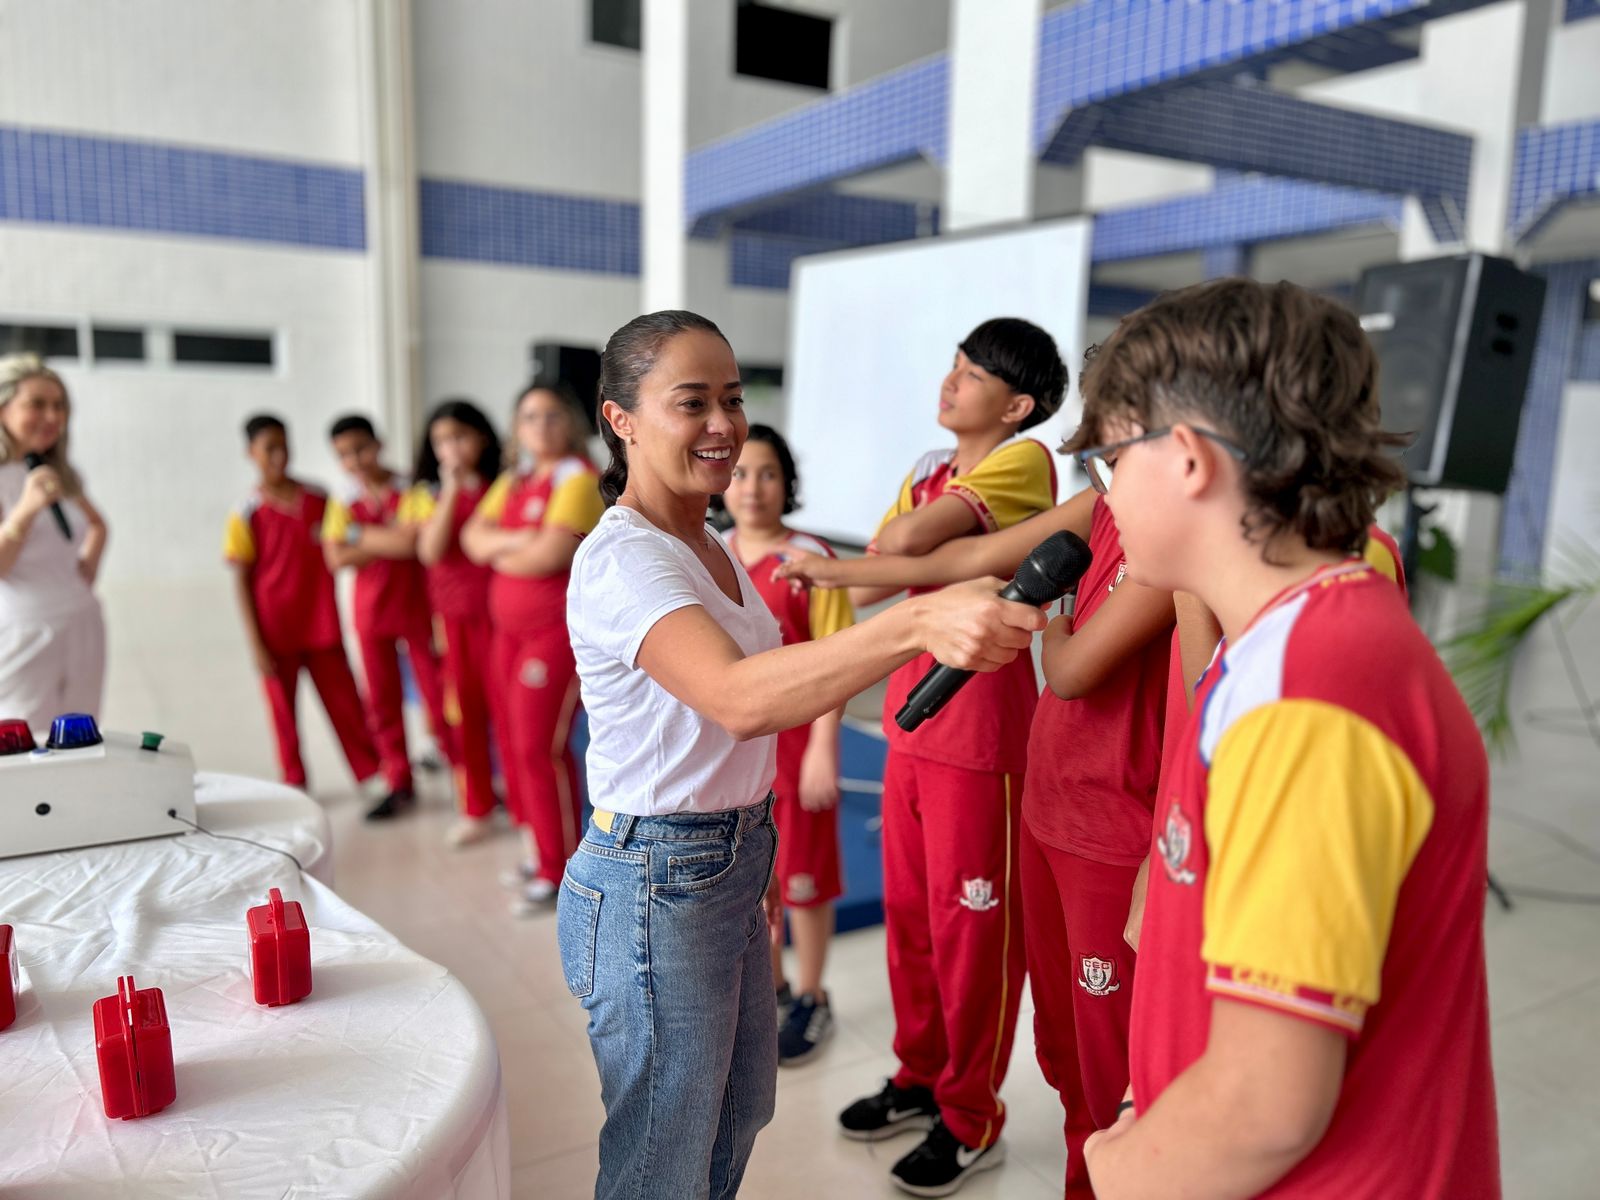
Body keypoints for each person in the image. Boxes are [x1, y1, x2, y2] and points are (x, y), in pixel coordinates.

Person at [558, 309, 1046, 1200]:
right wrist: (916, 621)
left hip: (723, 856)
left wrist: (754, 845)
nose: (723, 425)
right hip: (657, 877)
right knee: (665, 1158)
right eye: (692, 403)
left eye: (734, 399)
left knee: (732, 1118)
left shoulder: (706, 544)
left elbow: (762, 694)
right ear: (620, 419)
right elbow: (740, 698)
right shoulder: (627, 558)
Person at [1064, 279, 1497, 1198]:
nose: (1106, 499)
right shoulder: (1277, 644)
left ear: (1188, 459)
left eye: (1108, 463)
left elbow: (1264, 1108)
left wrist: (1120, 1168)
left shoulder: (1313, 696)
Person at [783, 472, 1176, 1197]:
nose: (1109, 462)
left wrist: (1056, 618)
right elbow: (949, 558)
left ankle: (974, 1117)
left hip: (1069, 793)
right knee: (1036, 1026)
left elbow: (1070, 666)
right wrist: (841, 571)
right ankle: (929, 1083)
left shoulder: (1037, 471)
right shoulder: (1085, 502)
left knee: (1068, 1027)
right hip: (1024, 785)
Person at [836, 317, 1065, 1197]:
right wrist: (928, 559)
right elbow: (883, 570)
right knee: (911, 920)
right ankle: (920, 1074)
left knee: (975, 935)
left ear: (1017, 406)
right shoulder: (929, 470)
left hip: (982, 736)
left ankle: (971, 1117)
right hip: (910, 722)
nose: (949, 382)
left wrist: (922, 553)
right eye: (953, 365)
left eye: (971, 374)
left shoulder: (1024, 461)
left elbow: (895, 549)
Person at [723, 424, 854, 1066]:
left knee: (805, 877)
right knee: (753, 873)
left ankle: (811, 993)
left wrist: (826, 748)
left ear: (787, 483)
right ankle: (771, 986)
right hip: (737, 748)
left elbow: (838, 662)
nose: (753, 487)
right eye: (740, 473)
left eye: (768, 473)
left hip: (799, 746)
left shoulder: (810, 558)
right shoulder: (711, 551)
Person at [462, 383, 603, 915]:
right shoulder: (516, 479)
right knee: (511, 739)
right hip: (508, 633)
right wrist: (515, 542)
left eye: (551, 415)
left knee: (538, 747)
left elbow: (548, 555)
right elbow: (471, 538)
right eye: (529, 416)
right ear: (516, 428)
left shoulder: (578, 480)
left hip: (552, 634)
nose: (540, 426)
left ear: (570, 422)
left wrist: (501, 548)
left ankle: (560, 867)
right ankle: (540, 849)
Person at [224, 414, 384, 799]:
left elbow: (346, 545)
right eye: (269, 448)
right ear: (251, 453)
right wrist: (256, 643)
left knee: (346, 703)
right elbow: (240, 580)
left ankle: (371, 773)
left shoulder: (320, 499)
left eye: (284, 445)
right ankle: (295, 781)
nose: (279, 456)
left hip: (322, 625)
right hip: (275, 631)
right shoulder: (246, 511)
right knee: (282, 713)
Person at [322, 414, 454, 820]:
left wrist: (358, 534)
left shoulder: (411, 487)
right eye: (345, 455)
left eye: (361, 449)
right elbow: (335, 557)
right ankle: (398, 781)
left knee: (438, 697)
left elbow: (412, 545)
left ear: (378, 444)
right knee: (381, 702)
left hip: (416, 610)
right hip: (370, 616)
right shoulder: (343, 500)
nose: (355, 461)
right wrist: (389, 537)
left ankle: (468, 779)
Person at [398, 400, 505, 847]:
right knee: (463, 715)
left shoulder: (503, 486)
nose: (452, 447)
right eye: (442, 440)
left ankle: (519, 801)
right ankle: (476, 806)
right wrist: (451, 489)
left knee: (508, 712)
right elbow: (430, 551)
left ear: (481, 439)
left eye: (460, 436)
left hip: (501, 617)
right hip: (453, 622)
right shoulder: (426, 494)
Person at [0, 355, 108, 728]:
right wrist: (26, 510)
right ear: (3, 408)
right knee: (22, 741)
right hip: (26, 633)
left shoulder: (59, 473)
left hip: (83, 623)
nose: (52, 416)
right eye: (38, 404)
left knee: (81, 737)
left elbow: (98, 525)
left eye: (59, 406)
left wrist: (85, 571)